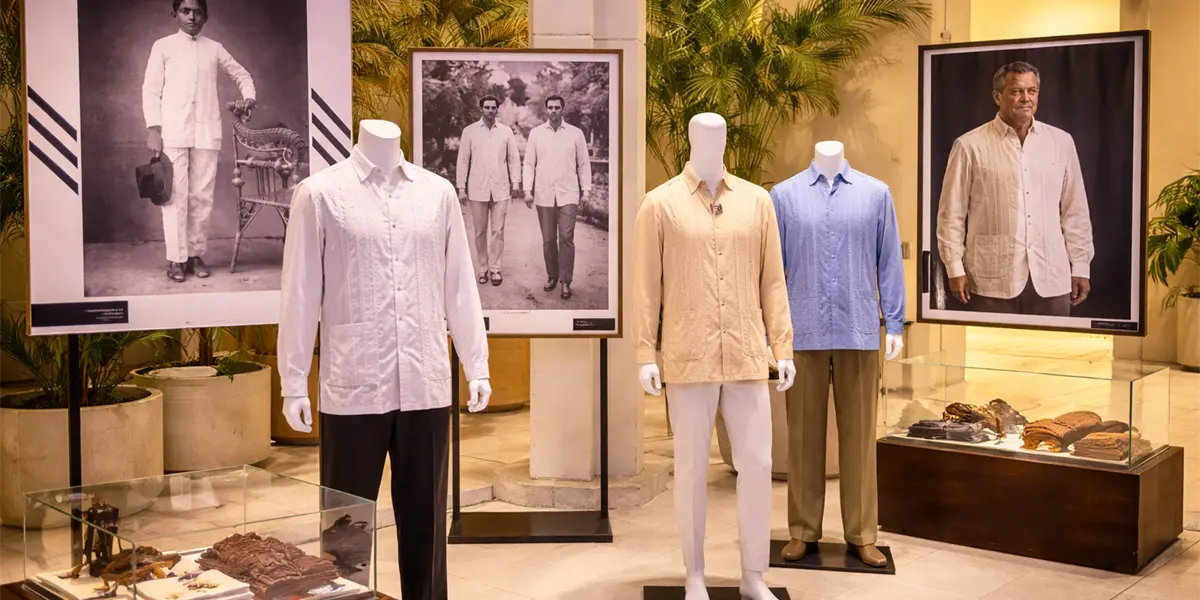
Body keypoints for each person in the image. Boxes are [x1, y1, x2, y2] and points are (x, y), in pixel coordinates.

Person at [936, 61, 1094, 316]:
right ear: (997, 97)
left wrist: (1081, 265)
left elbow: (1075, 210)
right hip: (990, 279)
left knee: (1054, 353)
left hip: (1052, 275)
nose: (1025, 98)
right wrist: (954, 267)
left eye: (1031, 91)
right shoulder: (969, 145)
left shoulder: (1061, 142)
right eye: (1016, 91)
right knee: (990, 353)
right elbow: (951, 214)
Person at [143, 0, 256, 282]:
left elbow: (241, 74)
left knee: (201, 197)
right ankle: (176, 260)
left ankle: (195, 255)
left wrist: (249, 97)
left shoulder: (214, 48)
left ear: (205, 16)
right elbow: (150, 90)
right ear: (175, 14)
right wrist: (154, 130)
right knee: (174, 197)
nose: (191, 16)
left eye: (197, 11)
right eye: (185, 11)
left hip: (207, 131)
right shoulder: (163, 46)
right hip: (173, 131)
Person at [522, 95, 592, 300]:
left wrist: (586, 190)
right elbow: (528, 164)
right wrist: (527, 189)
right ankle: (552, 275)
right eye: (550, 107)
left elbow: (584, 164)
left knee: (566, 237)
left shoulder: (576, 134)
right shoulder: (536, 134)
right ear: (546, 110)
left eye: (557, 107)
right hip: (544, 193)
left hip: (568, 192)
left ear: (563, 109)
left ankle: (565, 281)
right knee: (548, 239)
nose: (553, 111)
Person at [455, 95, 522, 286]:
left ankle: (495, 269)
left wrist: (515, 183)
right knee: (479, 231)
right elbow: (463, 161)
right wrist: (461, 188)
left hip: (501, 189)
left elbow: (513, 159)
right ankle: (483, 268)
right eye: (487, 107)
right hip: (477, 188)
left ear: (497, 109)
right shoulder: (470, 132)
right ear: (481, 109)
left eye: (494, 107)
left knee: (498, 231)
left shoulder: (506, 132)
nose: (491, 110)